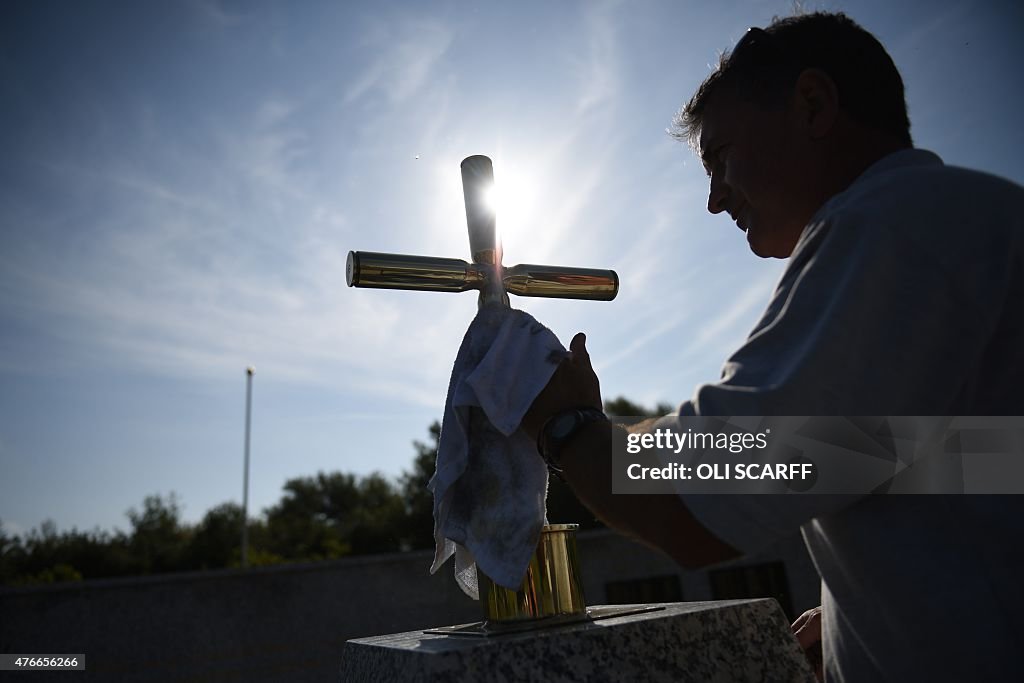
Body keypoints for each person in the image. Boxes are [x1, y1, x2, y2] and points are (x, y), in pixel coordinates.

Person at [521, 11, 1024, 682]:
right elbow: (963, 473)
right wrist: (851, 616)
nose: (713, 198)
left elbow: (697, 503)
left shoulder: (893, 225)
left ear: (813, 105)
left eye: (720, 157)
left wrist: (568, 426)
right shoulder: (972, 220)